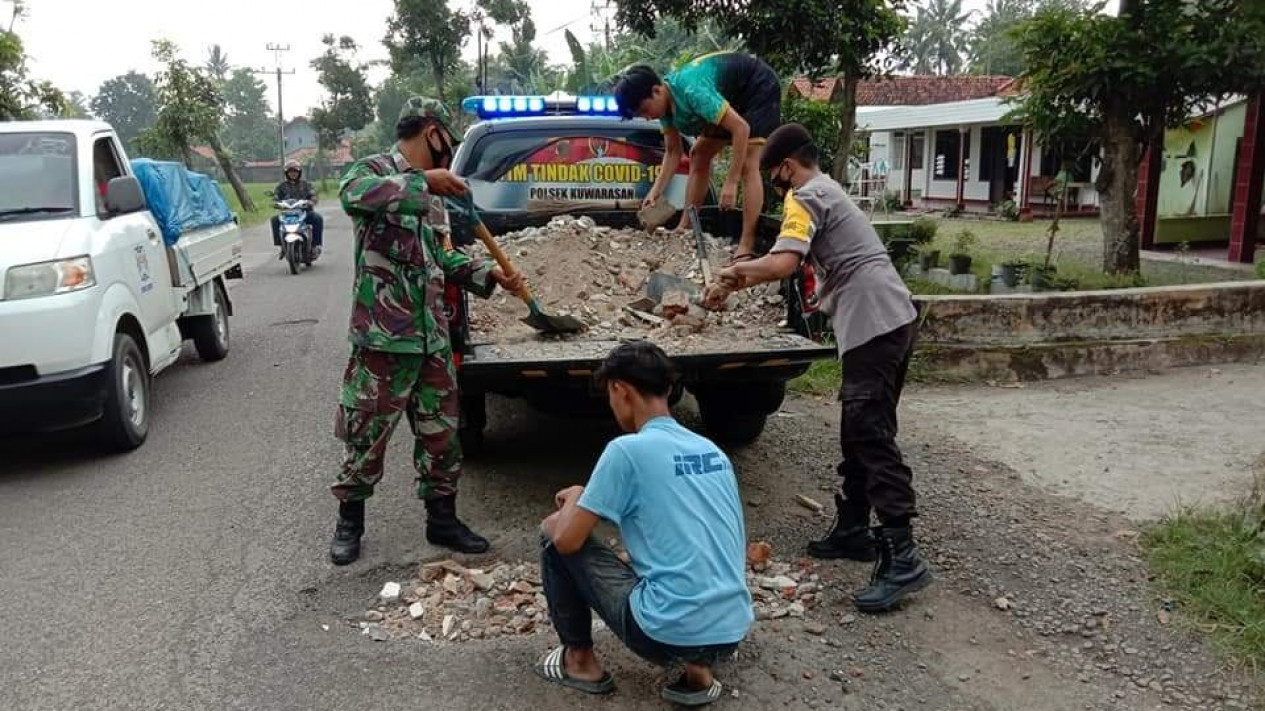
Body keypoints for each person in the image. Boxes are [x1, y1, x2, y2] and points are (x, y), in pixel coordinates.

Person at [702, 123, 932, 613]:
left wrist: (733, 274)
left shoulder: (804, 196)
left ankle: (903, 556)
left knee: (870, 433)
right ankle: (853, 529)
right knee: (859, 429)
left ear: (786, 168)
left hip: (874, 320)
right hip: (889, 318)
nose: (775, 186)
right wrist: (741, 277)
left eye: (773, 176)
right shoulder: (828, 190)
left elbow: (783, 263)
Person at [327, 97, 524, 565]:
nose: (448, 151)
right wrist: (422, 182)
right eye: (446, 141)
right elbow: (351, 195)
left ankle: (443, 521)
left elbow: (440, 257)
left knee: (441, 436)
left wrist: (487, 275)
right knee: (366, 435)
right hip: (383, 339)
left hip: (432, 337)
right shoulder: (373, 171)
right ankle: (350, 522)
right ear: (431, 132)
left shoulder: (436, 197)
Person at [535, 342, 752, 706]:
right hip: (731, 633)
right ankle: (699, 672)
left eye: (610, 395)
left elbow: (567, 541)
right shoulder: (712, 451)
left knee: (551, 530)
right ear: (666, 388)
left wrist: (576, 497)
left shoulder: (626, 450)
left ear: (621, 389)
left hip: (663, 635)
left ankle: (580, 662)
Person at [613, 53, 781, 262]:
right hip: (728, 97)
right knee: (698, 154)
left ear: (657, 90)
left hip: (757, 88)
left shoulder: (692, 91)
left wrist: (731, 182)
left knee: (748, 165)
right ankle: (685, 227)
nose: (647, 118)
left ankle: (746, 245)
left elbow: (741, 128)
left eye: (645, 110)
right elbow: (673, 152)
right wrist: (655, 192)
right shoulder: (666, 108)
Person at [271, 160, 325, 259]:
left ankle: (315, 245)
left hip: (304, 212)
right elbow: (275, 197)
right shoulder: (281, 186)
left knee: (317, 218)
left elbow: (313, 195)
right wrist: (275, 203)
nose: (293, 173)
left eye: (295, 171)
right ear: (287, 173)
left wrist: (311, 201)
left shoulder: (306, 185)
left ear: (299, 172)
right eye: (290, 171)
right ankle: (282, 246)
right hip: (287, 213)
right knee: (274, 220)